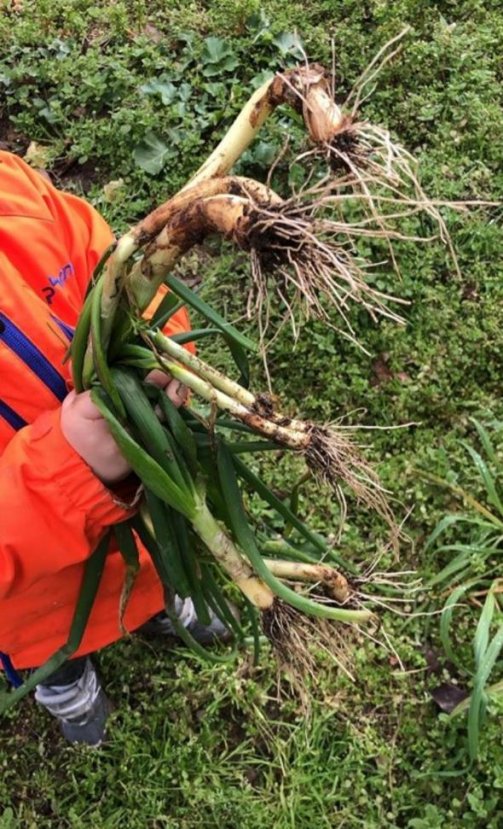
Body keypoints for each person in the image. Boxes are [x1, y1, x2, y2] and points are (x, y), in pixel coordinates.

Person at [0, 150, 231, 746]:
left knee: (152, 566)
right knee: (55, 645)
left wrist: (156, 344)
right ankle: (66, 688)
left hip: (139, 506)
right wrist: (66, 471)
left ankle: (163, 603)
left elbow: (110, 269)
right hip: (31, 604)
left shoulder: (9, 186)